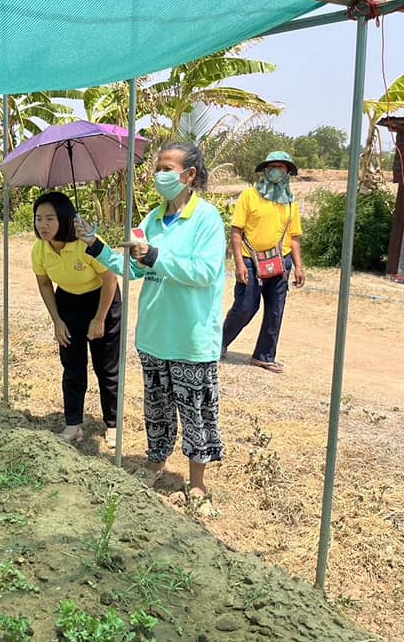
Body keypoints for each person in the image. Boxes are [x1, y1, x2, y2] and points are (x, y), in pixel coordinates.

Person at [76, 142, 225, 509]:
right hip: (154, 336)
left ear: (189, 176)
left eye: (168, 168)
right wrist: (95, 245)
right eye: (158, 166)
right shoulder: (151, 221)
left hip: (191, 338)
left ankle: (197, 484)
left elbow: (204, 273)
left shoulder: (207, 219)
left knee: (196, 412)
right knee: (156, 408)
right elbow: (133, 269)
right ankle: (155, 463)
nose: (161, 174)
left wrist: (156, 256)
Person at [31, 191, 121, 445]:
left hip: (102, 299)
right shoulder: (40, 249)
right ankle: (73, 424)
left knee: (106, 367)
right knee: (72, 367)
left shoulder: (86, 241)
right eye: (39, 219)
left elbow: (110, 278)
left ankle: (112, 425)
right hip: (68, 301)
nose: (43, 225)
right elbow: (45, 284)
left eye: (50, 218)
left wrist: (100, 318)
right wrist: (57, 321)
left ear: (66, 219)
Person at [222, 150, 305, 373]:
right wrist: (239, 263)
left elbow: (294, 237)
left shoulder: (291, 203)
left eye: (280, 167)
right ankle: (219, 343)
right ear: (265, 171)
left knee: (275, 310)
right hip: (250, 260)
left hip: (281, 262)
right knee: (245, 306)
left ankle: (264, 355)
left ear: (287, 172)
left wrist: (298, 266)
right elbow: (236, 231)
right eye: (272, 167)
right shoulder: (249, 196)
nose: (275, 171)